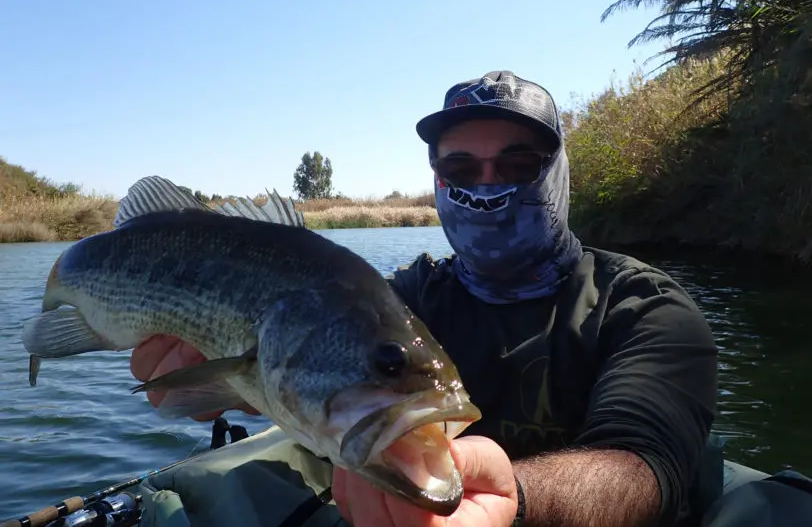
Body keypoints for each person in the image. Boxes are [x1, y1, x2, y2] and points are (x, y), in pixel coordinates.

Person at [130, 70, 719, 527]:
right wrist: (208, 381)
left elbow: (646, 469)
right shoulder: (399, 303)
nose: (487, 187)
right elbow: (298, 369)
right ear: (437, 181)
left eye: (517, 164)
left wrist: (515, 500)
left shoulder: (645, 310)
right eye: (461, 169)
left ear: (558, 172)